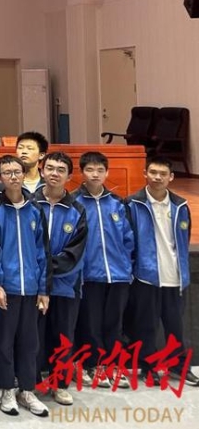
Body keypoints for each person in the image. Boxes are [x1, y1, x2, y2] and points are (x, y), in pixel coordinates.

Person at [125, 155, 198, 387]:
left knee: (176, 326)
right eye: (153, 173)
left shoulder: (180, 205)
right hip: (146, 276)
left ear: (171, 177)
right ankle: (148, 368)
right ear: (145, 174)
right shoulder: (133, 203)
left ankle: (178, 366)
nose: (158, 177)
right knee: (146, 326)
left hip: (175, 276)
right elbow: (128, 240)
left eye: (163, 174)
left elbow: (183, 238)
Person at [0, 154, 50, 417]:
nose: (13, 177)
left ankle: (27, 390)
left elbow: (42, 251)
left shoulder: (35, 209)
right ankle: (6, 389)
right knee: (4, 342)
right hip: (7, 288)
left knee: (29, 342)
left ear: (24, 174)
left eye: (17, 172)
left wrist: (43, 289)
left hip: (31, 288)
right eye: (7, 172)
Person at [71, 151, 134, 388]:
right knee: (92, 323)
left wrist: (127, 266)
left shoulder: (117, 203)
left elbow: (128, 238)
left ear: (107, 173)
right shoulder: (74, 203)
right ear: (82, 173)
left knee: (114, 324)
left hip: (118, 274)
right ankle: (94, 365)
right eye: (90, 169)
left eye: (100, 170)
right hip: (90, 275)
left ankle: (114, 365)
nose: (95, 174)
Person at [33, 152, 87, 406]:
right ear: (41, 171)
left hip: (66, 285)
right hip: (33, 285)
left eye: (61, 170)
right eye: (50, 168)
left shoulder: (77, 210)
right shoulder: (29, 204)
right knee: (33, 335)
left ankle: (61, 384)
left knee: (63, 337)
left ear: (69, 176)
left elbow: (75, 252)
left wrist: (46, 268)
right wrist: (37, 273)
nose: (54, 173)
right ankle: (31, 381)